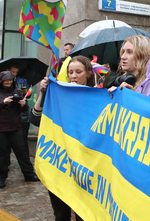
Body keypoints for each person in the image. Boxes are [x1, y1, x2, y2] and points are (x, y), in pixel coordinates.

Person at [30, 58, 93, 221]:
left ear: (88, 73)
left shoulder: (97, 97)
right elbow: (35, 118)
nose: (73, 76)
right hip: (60, 164)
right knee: (60, 214)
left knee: (84, 214)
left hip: (84, 167)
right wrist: (44, 93)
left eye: (78, 72)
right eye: (70, 72)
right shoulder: (59, 93)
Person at [0, 71, 39, 188]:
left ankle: (29, 174)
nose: (8, 82)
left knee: (22, 151)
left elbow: (24, 109)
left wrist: (23, 104)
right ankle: (1, 178)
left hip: (14, 126)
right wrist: (2, 103)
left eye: (10, 80)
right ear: (1, 81)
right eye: (6, 80)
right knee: (2, 154)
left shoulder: (16, 92)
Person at [110, 35, 150, 100]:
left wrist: (132, 97)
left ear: (142, 56)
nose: (123, 57)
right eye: (123, 52)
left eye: (129, 52)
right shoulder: (125, 80)